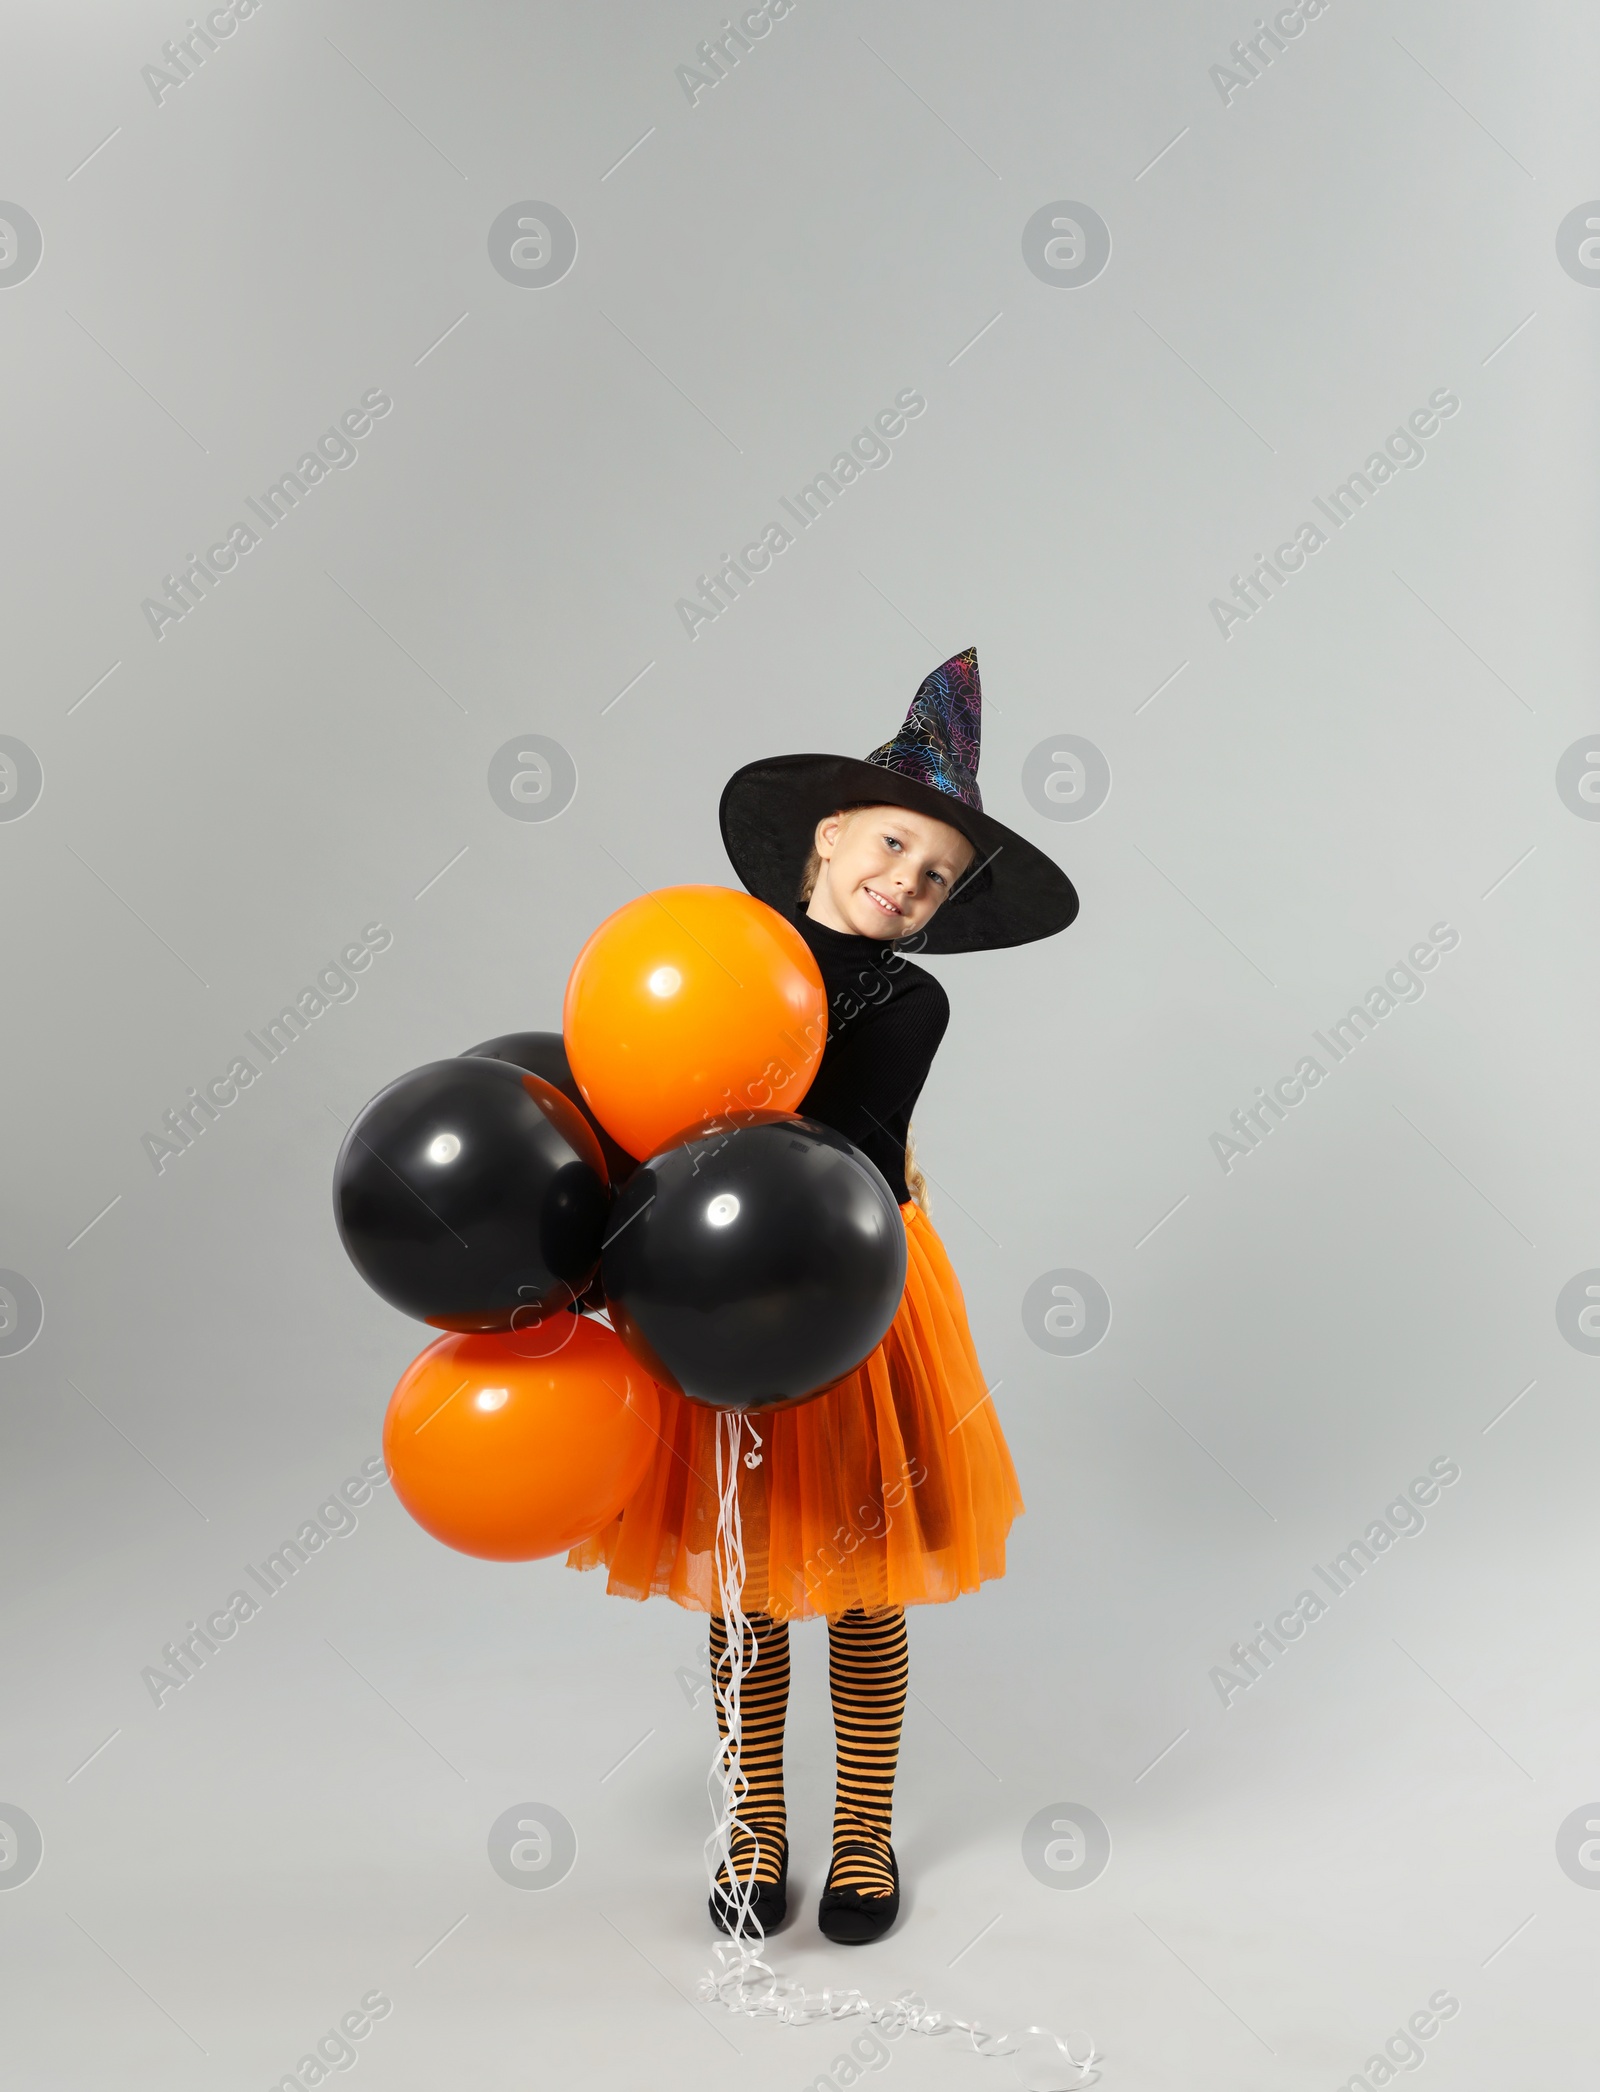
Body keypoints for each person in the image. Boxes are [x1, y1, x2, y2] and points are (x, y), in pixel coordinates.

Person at [567, 648, 1079, 1944]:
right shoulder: (719, 948)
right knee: (745, 1578)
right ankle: (753, 1823)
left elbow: (845, 1139)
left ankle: (862, 1828)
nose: (903, 882)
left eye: (934, 879)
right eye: (894, 845)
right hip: (710, 1283)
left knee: (862, 1580)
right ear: (831, 829)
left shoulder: (911, 1002)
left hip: (848, 1287)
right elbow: (650, 1086)